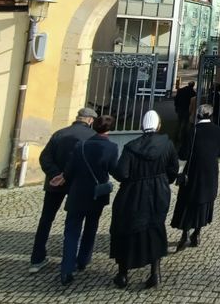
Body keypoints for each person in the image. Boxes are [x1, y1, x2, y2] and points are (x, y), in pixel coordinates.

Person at [109, 110, 179, 289]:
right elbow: (173, 169)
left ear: (141, 126)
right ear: (159, 126)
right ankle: (155, 273)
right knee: (155, 226)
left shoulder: (131, 146)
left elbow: (122, 173)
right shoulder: (167, 144)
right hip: (158, 190)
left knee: (127, 228)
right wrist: (164, 181)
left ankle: (123, 273)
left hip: (134, 192)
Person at [29, 107, 96, 274]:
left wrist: (56, 175)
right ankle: (75, 258)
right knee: (75, 222)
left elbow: (45, 157)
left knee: (46, 219)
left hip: (55, 183)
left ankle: (37, 258)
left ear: (78, 118)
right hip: (78, 185)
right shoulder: (92, 137)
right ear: (90, 120)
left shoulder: (59, 134)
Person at [58, 115, 118, 286]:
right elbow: (114, 170)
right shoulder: (112, 147)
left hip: (77, 193)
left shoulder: (81, 145)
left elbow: (69, 170)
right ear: (110, 129)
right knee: (91, 227)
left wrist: (64, 178)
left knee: (71, 232)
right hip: (96, 194)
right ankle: (83, 260)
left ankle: (66, 270)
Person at [171, 104, 220, 252]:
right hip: (210, 172)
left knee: (188, 201)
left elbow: (183, 154)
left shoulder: (192, 131)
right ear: (211, 115)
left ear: (198, 115)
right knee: (204, 201)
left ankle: (185, 234)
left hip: (193, 172)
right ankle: (197, 233)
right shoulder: (218, 131)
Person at [174, 81, 196, 146]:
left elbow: (176, 99)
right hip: (187, 110)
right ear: (193, 86)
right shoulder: (193, 93)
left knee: (179, 123)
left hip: (180, 109)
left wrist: (176, 107)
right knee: (185, 124)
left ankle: (176, 137)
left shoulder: (181, 90)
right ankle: (183, 138)